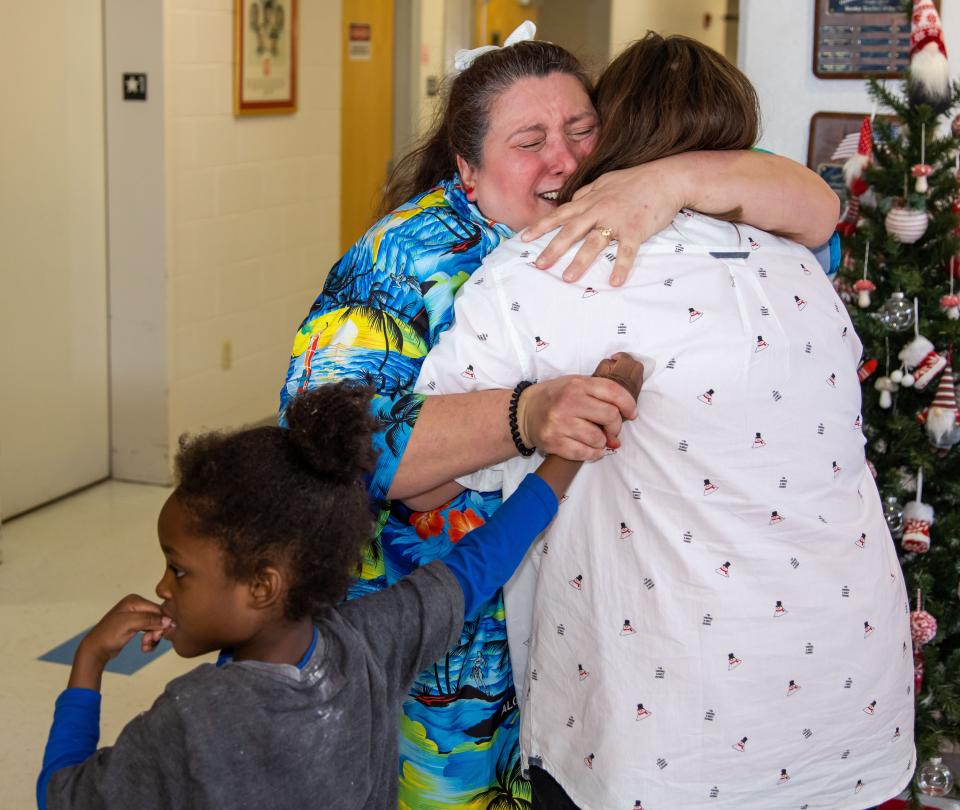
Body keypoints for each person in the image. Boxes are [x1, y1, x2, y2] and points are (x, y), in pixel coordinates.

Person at [280, 23, 841, 806]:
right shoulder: (405, 260)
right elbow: (332, 446)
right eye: (530, 140)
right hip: (436, 641)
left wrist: (670, 181)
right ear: (466, 170)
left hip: (570, 634)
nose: (567, 160)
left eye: (583, 131)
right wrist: (524, 415)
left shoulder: (636, 222)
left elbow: (819, 214)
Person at [416, 33, 913, 810]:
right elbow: (820, 208)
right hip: (848, 702)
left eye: (579, 133)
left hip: (666, 735)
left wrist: (524, 417)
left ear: (613, 138)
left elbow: (416, 484)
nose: (564, 158)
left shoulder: (542, 268)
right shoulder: (803, 265)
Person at [35, 360, 641, 810]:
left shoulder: (193, 717)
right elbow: (481, 562)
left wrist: (89, 660)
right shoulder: (371, 642)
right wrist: (576, 442)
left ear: (263, 586)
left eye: (179, 569)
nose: (164, 588)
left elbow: (64, 796)